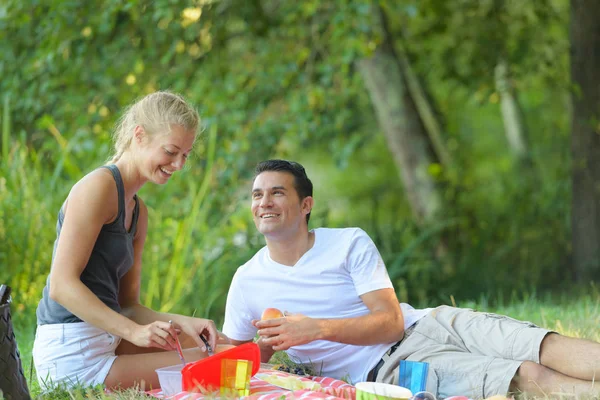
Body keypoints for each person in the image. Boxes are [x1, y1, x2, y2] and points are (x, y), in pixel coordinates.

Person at [222, 159, 600, 399]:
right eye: (257, 195)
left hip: (430, 321)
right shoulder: (247, 280)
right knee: (526, 374)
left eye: (276, 193)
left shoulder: (349, 242)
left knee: (541, 343)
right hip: (393, 367)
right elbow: (235, 362)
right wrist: (265, 347)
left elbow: (390, 322)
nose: (263, 202)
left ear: (306, 205)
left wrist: (314, 329)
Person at [33, 91, 227, 391]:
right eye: (171, 151)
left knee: (217, 343)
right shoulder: (98, 187)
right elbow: (61, 286)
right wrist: (134, 333)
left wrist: (183, 322)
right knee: (218, 363)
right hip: (71, 349)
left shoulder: (138, 211)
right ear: (139, 135)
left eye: (185, 155)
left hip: (108, 339)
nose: (178, 165)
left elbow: (128, 305)